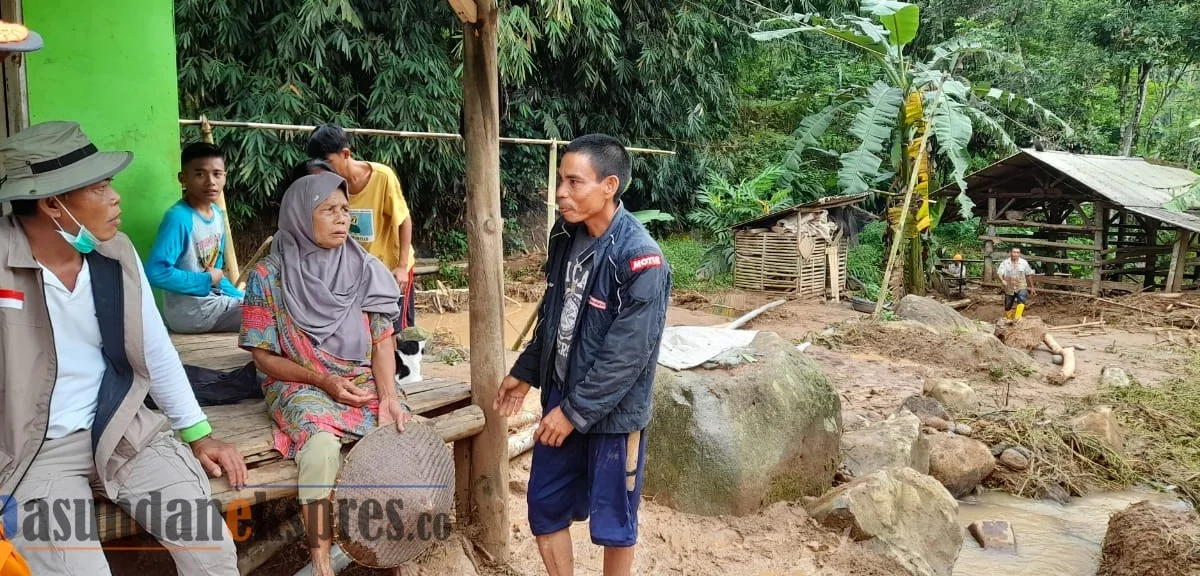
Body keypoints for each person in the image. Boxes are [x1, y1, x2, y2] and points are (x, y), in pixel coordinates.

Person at [0, 121, 246, 575]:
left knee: (211, 555)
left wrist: (198, 433)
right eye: (98, 187)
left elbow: (156, 349)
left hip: (125, 428)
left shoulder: (116, 253)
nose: (115, 198)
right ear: (53, 203)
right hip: (38, 446)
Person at [493, 134, 672, 576]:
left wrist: (573, 413)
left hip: (614, 417)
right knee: (545, 507)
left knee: (614, 522)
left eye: (574, 182)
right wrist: (527, 370)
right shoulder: (564, 237)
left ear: (609, 185)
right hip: (562, 402)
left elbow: (627, 357)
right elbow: (555, 318)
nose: (560, 193)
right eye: (560, 181)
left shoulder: (642, 259)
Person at [238, 171, 412, 576]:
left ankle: (389, 548)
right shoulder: (268, 277)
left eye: (346, 210)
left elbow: (382, 341)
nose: (341, 219)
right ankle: (320, 560)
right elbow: (263, 357)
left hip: (361, 378)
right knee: (319, 448)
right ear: (300, 216)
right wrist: (323, 381)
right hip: (298, 380)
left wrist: (388, 396)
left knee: (400, 432)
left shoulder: (366, 268)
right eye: (328, 210)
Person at [306, 124, 417, 333]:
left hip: (391, 269)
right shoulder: (329, 185)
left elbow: (404, 220)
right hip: (358, 272)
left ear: (346, 154)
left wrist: (402, 266)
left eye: (328, 162)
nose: (322, 170)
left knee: (398, 332)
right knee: (365, 332)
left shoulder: (382, 177)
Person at [145, 142, 244, 333]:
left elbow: (217, 272)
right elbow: (155, 272)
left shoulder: (217, 215)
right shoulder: (179, 218)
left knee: (268, 300)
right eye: (200, 174)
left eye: (217, 174)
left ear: (225, 176)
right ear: (183, 179)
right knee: (271, 313)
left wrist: (239, 295)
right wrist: (205, 280)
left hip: (214, 302)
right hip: (191, 313)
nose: (210, 182)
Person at [997, 247, 1037, 321]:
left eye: (1017, 252)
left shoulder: (1024, 263)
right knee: (1007, 306)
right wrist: (1002, 280)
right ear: (1010, 253)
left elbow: (1028, 275)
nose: (1015, 254)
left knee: (1022, 298)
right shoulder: (1005, 263)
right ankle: (1009, 320)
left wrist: (1032, 287)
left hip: (1021, 285)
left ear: (1019, 254)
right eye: (1014, 252)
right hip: (1009, 286)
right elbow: (1000, 273)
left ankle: (1017, 318)